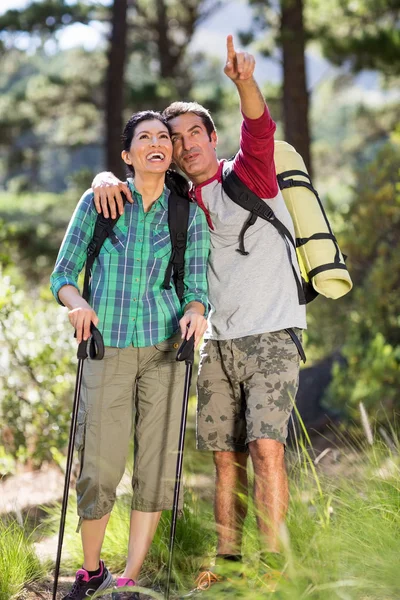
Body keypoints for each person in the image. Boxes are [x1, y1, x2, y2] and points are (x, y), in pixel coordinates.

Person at [92, 36, 306, 594]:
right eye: (174, 136)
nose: (184, 145)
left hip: (272, 333)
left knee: (266, 447)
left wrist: (243, 84)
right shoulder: (180, 200)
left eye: (194, 134)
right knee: (224, 457)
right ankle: (229, 564)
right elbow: (140, 180)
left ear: (212, 138)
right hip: (218, 342)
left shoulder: (251, 174)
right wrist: (103, 181)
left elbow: (260, 129)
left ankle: (274, 567)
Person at [50, 110, 210, 600]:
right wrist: (77, 305)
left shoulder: (188, 214)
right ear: (127, 155)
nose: (157, 143)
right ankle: (92, 571)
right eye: (145, 137)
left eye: (164, 137)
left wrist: (197, 311)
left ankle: (129, 578)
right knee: (99, 464)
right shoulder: (99, 203)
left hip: (166, 351)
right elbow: (64, 275)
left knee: (157, 465)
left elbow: (196, 286)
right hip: (108, 345)